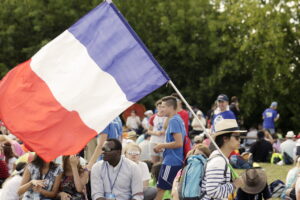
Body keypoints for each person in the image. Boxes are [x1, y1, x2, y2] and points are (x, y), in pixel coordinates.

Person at [201, 119, 245, 200]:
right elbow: (212, 191)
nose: (240, 140)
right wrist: (234, 185)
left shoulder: (221, 158)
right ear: (225, 138)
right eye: (236, 137)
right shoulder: (218, 161)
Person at [152, 96, 186, 200]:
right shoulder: (177, 119)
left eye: (163, 107)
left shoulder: (174, 121)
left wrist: (161, 145)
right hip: (175, 160)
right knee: (174, 191)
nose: (161, 109)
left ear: (171, 107)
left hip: (171, 161)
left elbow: (179, 143)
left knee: (160, 190)